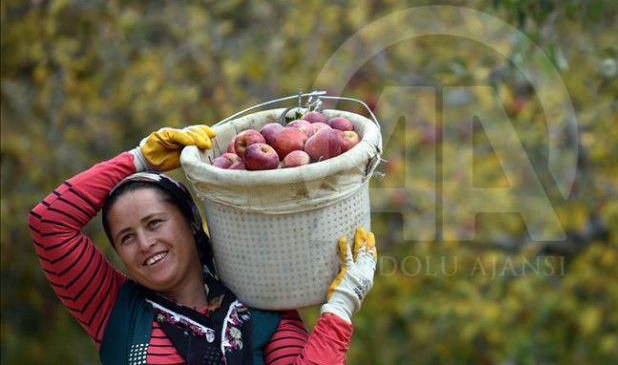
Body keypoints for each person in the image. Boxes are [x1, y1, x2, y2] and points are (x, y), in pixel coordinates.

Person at [28, 125, 377, 364]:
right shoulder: (112, 309)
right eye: (127, 238)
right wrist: (138, 159)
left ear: (192, 225)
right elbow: (48, 222)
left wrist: (341, 307)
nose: (146, 243)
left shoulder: (262, 305)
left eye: (155, 223)